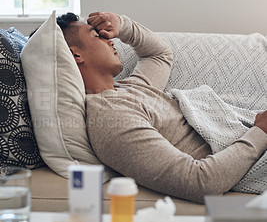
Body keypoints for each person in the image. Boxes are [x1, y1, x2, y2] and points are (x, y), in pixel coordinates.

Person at [56, 11, 267, 203]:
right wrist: (260, 132)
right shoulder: (111, 119)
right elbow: (201, 183)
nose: (110, 41)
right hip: (256, 154)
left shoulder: (131, 88)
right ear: (76, 55)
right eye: (97, 36)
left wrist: (121, 25)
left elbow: (159, 54)